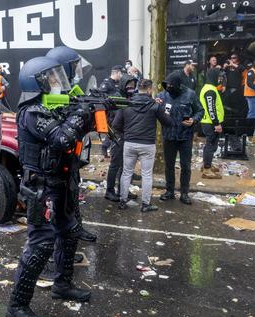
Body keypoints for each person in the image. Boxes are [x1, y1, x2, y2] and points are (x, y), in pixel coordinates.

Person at [7, 56, 92, 317]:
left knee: (69, 232)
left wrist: (88, 114)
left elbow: (76, 133)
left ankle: (62, 284)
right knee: (41, 244)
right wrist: (81, 113)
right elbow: (62, 138)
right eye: (53, 79)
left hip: (61, 181)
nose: (59, 83)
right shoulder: (32, 113)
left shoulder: (54, 106)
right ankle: (17, 305)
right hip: (40, 187)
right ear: (39, 83)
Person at [45, 45, 97, 243]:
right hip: (55, 160)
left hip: (72, 154)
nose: (77, 73)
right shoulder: (48, 95)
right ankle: (58, 241)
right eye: (74, 68)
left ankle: (75, 228)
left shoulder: (69, 91)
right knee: (56, 204)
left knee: (73, 192)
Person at [114, 79, 172, 212]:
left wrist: (127, 133)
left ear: (137, 89)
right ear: (149, 90)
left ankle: (122, 201)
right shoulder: (154, 105)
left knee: (126, 172)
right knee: (146, 175)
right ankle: (145, 204)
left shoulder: (127, 104)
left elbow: (116, 125)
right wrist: (166, 111)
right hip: (147, 144)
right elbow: (167, 122)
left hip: (129, 143)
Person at [158, 71, 204, 205]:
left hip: (185, 136)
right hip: (169, 136)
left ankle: (184, 193)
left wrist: (193, 120)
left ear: (178, 86)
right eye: (167, 86)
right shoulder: (162, 95)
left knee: (185, 166)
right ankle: (170, 191)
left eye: (172, 86)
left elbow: (200, 110)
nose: (169, 89)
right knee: (169, 165)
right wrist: (155, 103)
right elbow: (155, 109)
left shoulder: (190, 94)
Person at [104, 74, 138, 202]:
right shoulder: (116, 97)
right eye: (129, 85)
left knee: (126, 166)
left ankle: (123, 190)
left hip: (128, 134)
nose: (131, 87)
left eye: (133, 85)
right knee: (115, 164)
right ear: (124, 84)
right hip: (117, 135)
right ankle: (110, 191)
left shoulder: (131, 97)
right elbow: (112, 117)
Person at [199, 68, 225, 179]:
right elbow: (211, 109)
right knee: (210, 145)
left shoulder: (210, 88)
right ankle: (207, 169)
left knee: (211, 145)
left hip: (209, 122)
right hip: (210, 123)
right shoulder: (210, 90)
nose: (220, 79)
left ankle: (207, 164)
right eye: (219, 76)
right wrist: (216, 124)